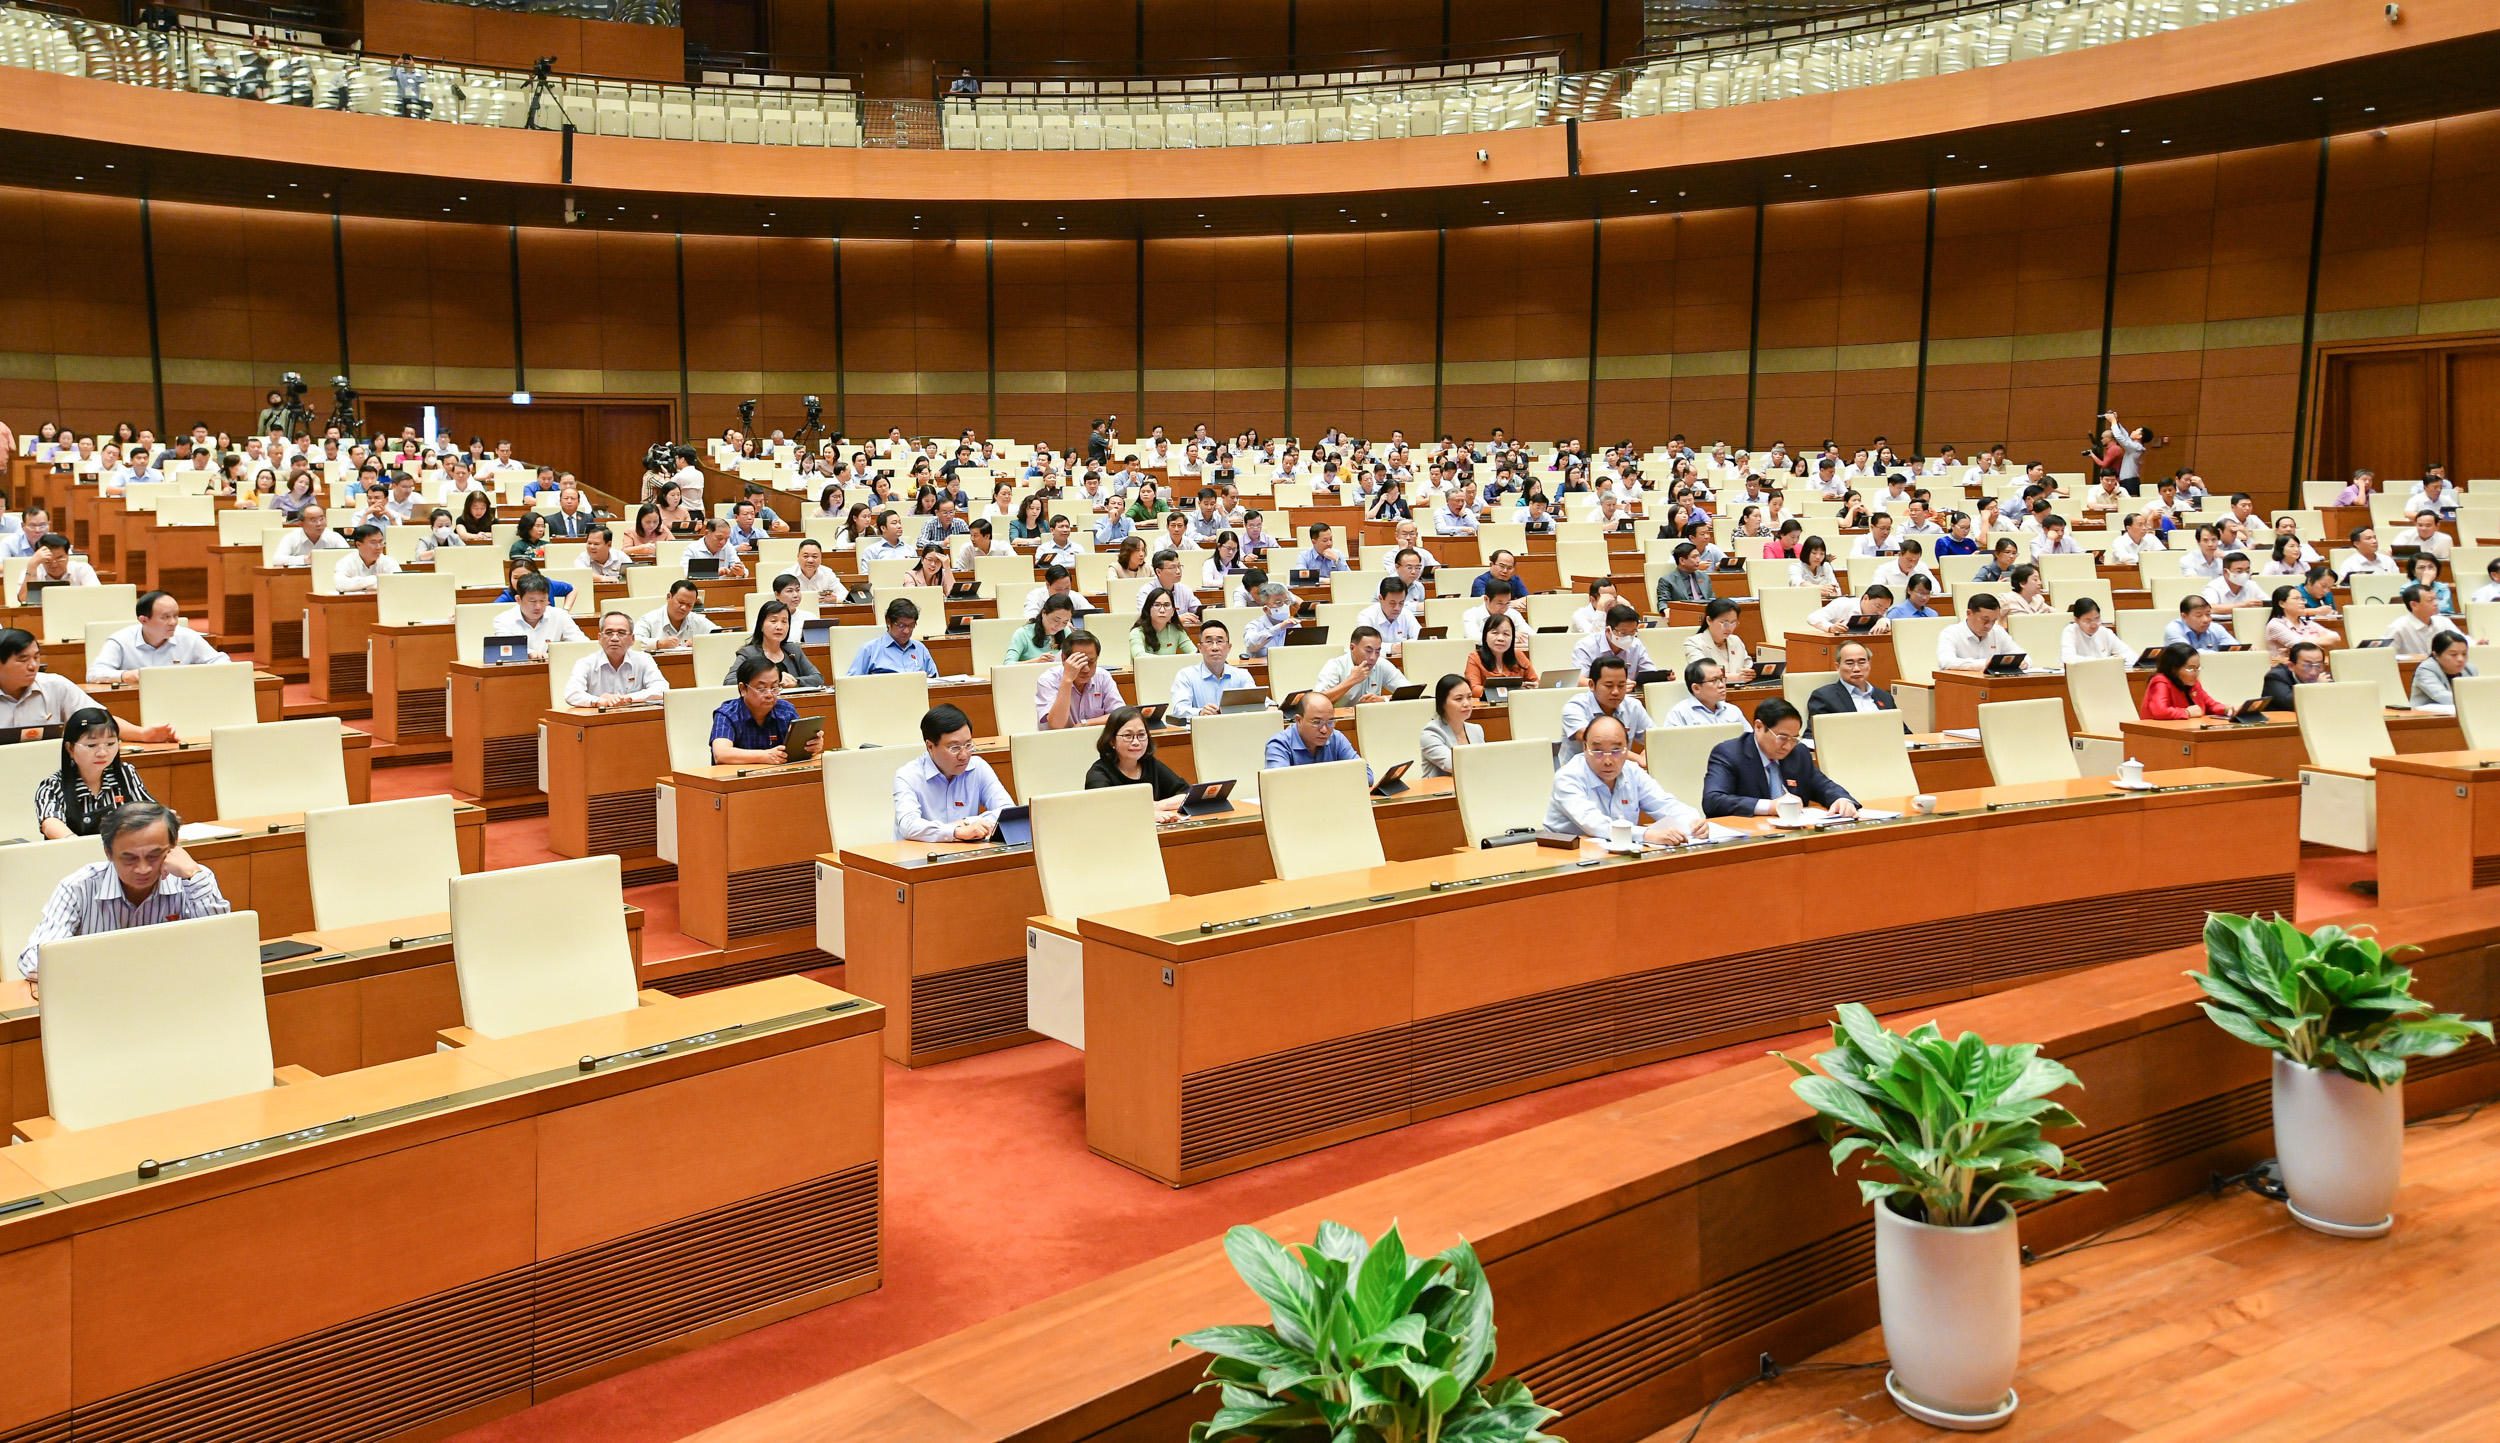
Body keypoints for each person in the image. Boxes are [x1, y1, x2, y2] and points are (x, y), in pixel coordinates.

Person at [16, 800, 229, 986]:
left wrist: (193, 874)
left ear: (173, 847)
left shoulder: (191, 880)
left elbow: (222, 947)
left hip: (173, 992)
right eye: (129, 858)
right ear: (108, 852)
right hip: (99, 998)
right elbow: (34, 960)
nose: (143, 869)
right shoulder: (78, 887)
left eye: (154, 856)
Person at [1542, 714, 1700, 845]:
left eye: (1616, 750)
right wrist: (1647, 834)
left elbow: (1666, 804)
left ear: (1627, 748)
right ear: (1585, 748)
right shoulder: (1568, 777)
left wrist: (1694, 823)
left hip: (1617, 853)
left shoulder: (1632, 771)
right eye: (1597, 751)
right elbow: (1594, 824)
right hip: (1567, 853)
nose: (1608, 760)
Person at [0, 630, 169, 742]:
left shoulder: (55, 685)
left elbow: (99, 720)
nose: (33, 666)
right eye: (23, 660)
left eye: (36, 658)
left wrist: (142, 734)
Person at [1702, 699, 1859, 819]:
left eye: (1794, 739)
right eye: (1782, 737)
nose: (1788, 746)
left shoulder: (1798, 752)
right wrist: (1770, 806)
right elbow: (1713, 801)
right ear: (1758, 727)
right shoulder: (1729, 753)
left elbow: (1824, 786)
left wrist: (1841, 799)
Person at [894, 704, 1012, 842]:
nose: (964, 755)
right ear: (930, 746)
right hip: (920, 853)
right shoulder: (908, 776)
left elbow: (1008, 811)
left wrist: (966, 822)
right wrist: (956, 831)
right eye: (954, 748)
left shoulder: (978, 767)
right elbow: (908, 825)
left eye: (968, 745)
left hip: (964, 851)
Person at [36, 708, 155, 840]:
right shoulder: (53, 785)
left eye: (110, 744)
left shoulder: (126, 773)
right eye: (92, 745)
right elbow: (50, 823)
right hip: (76, 851)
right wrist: (77, 843)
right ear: (70, 748)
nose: (102, 753)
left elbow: (150, 812)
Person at [88, 590, 229, 682]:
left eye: (175, 615)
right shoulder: (120, 640)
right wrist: (125, 675)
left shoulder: (188, 637)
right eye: (165, 617)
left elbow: (222, 662)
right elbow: (94, 673)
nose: (173, 622)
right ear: (144, 620)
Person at [709, 655, 823, 765]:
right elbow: (721, 754)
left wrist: (813, 745)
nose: (769, 694)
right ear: (743, 688)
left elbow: (799, 748)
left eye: (774, 687)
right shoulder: (727, 714)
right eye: (761, 689)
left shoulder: (786, 711)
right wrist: (764, 756)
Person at [1084, 707, 1188, 818]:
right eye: (1128, 736)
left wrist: (1158, 805)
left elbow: (1187, 794)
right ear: (1112, 740)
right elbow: (1103, 811)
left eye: (1141, 735)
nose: (1136, 742)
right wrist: (1147, 814)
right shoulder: (1098, 774)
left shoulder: (1150, 764)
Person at [565, 611, 669, 709]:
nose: (614, 638)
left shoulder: (644, 659)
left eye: (621, 633)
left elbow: (662, 689)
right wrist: (599, 701)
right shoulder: (585, 663)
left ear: (632, 639)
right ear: (600, 638)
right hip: (598, 718)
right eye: (609, 632)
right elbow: (572, 694)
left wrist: (627, 698)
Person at [1169, 619, 1253, 721]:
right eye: (1209, 642)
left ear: (1229, 647)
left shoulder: (1242, 675)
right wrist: (1200, 713)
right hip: (1202, 729)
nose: (1215, 647)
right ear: (1200, 648)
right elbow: (1179, 710)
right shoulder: (1186, 675)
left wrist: (1269, 707)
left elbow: (1260, 703)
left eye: (1220, 641)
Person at [729, 600, 825, 689]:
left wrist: (796, 682)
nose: (779, 627)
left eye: (784, 622)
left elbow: (818, 678)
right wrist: (773, 680)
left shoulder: (793, 650)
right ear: (761, 625)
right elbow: (729, 681)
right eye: (773, 621)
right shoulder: (749, 654)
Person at [1036, 629, 1121, 730]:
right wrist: (1067, 680)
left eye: (1091, 662)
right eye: (1079, 662)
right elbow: (1056, 725)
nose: (1086, 669)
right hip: (1059, 739)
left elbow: (1119, 716)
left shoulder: (1103, 676)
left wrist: (1085, 724)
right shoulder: (1048, 680)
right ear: (1064, 659)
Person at [489, 574, 585, 660]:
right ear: (518, 600)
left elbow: (582, 643)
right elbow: (507, 648)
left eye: (543, 600)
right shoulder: (503, 620)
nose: (538, 606)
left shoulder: (560, 615)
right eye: (532, 601)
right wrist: (530, 653)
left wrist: (557, 654)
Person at [1314, 627, 1407, 705]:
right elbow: (1317, 702)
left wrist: (1383, 699)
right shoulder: (1335, 666)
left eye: (1377, 651)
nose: (1373, 657)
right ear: (1352, 648)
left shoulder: (1381, 664)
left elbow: (1409, 692)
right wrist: (1351, 680)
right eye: (1368, 651)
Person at [1804, 642, 1896, 722]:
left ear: (1869, 664)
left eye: (1862, 662)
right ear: (1837, 667)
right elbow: (1814, 733)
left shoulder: (1885, 696)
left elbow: (1900, 729)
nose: (1856, 669)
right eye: (1850, 663)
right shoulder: (1824, 697)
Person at [848, 598, 939, 676]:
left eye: (911, 625)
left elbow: (936, 681)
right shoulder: (870, 650)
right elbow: (851, 683)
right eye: (901, 625)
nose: (906, 631)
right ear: (888, 621)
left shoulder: (920, 649)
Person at [1417, 673, 1483, 778]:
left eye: (1469, 697)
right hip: (1441, 788)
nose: (1466, 703)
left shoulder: (1476, 730)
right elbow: (1454, 764)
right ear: (1442, 703)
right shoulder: (1430, 733)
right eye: (1459, 699)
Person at [1937, 593, 2021, 671]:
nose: (1989, 626)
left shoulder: (1998, 631)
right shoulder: (1951, 633)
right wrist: (1985, 664)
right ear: (1969, 613)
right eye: (1985, 620)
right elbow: (1945, 662)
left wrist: (2022, 663)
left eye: (1994, 621)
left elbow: (2022, 656)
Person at [1462, 612, 1538, 698]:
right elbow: (1474, 690)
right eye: (1495, 633)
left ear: (1512, 638)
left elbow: (1536, 683)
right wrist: (1514, 689)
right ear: (1485, 636)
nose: (1500, 638)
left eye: (1506, 634)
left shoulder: (1518, 655)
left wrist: (1534, 687)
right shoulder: (1475, 658)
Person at [2141, 642, 2225, 720]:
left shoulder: (2194, 683)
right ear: (2174, 669)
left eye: (2197, 668)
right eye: (2190, 668)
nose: (2196, 673)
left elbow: (2211, 705)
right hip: (2158, 730)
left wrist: (2227, 709)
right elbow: (2160, 711)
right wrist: (2187, 712)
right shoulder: (2160, 681)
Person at [2385, 582, 2467, 657]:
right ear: (2414, 605)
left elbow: (2465, 641)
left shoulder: (2443, 621)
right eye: (2430, 600)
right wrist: (2410, 657)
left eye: (2435, 599)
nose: (2436, 603)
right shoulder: (2398, 627)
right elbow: (2385, 655)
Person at [636, 578, 719, 651]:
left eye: (689, 605)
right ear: (669, 597)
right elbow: (634, 642)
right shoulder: (649, 619)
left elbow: (722, 634)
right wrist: (658, 644)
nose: (684, 608)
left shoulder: (696, 619)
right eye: (681, 602)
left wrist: (701, 641)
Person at [1680, 598, 1753, 681]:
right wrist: (1736, 677)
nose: (1729, 628)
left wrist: (1751, 672)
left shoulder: (1735, 640)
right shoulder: (1694, 643)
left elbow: (1748, 666)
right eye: (1724, 623)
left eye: (1733, 623)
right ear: (1709, 620)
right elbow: (1703, 674)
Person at [2263, 585, 2340, 661]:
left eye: (2302, 599)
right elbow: (2299, 645)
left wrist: (2297, 648)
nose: (2302, 602)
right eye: (2296, 599)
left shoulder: (2307, 623)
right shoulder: (2275, 625)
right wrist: (2303, 646)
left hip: (2308, 663)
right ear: (2282, 604)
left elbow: (2335, 637)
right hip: (2283, 666)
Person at [328, 523, 400, 595]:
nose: (379, 547)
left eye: (381, 542)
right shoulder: (346, 562)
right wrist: (375, 579)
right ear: (358, 544)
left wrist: (356, 583)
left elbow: (398, 583)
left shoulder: (389, 561)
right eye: (373, 542)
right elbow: (339, 584)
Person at [2412, 630, 2475, 710]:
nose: (2460, 659)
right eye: (2453, 654)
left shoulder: (2470, 669)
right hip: (2426, 716)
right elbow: (2441, 696)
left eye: (2464, 654)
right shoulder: (2425, 669)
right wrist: (2476, 700)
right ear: (2436, 655)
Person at [2058, 597, 2131, 664]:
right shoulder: (2070, 631)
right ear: (2077, 620)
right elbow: (2068, 659)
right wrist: (2106, 660)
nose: (2093, 625)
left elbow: (2130, 655)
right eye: (2088, 621)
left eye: (2097, 619)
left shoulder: (2105, 632)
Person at [274, 504, 348, 568]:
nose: (319, 523)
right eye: (313, 520)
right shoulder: (291, 538)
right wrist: (304, 560)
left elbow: (349, 556)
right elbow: (276, 560)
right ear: (301, 524)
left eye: (322, 519)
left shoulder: (334, 536)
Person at [2261, 641, 2328, 711]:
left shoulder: (2324, 677)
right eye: (2307, 666)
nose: (2313, 672)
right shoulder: (2275, 677)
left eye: (2318, 666)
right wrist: (2317, 687)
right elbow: (2292, 703)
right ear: (2291, 666)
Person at [1130, 587, 1190, 656]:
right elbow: (1139, 656)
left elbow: (1193, 653)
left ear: (1173, 611)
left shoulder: (1176, 630)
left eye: (1166, 605)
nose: (1162, 610)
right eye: (1157, 605)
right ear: (1148, 609)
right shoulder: (1137, 632)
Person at [2164, 595, 2235, 652]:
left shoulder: (2216, 628)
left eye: (2208, 614)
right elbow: (2187, 655)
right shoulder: (2173, 629)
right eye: (2199, 615)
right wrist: (2218, 655)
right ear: (2184, 616)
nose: (2205, 620)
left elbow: (2235, 649)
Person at [1656, 542, 1716, 608]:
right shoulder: (1667, 580)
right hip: (1685, 612)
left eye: (1698, 556)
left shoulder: (1704, 577)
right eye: (1694, 557)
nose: (1699, 560)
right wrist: (1665, 609)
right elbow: (1663, 602)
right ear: (1682, 561)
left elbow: (1712, 599)